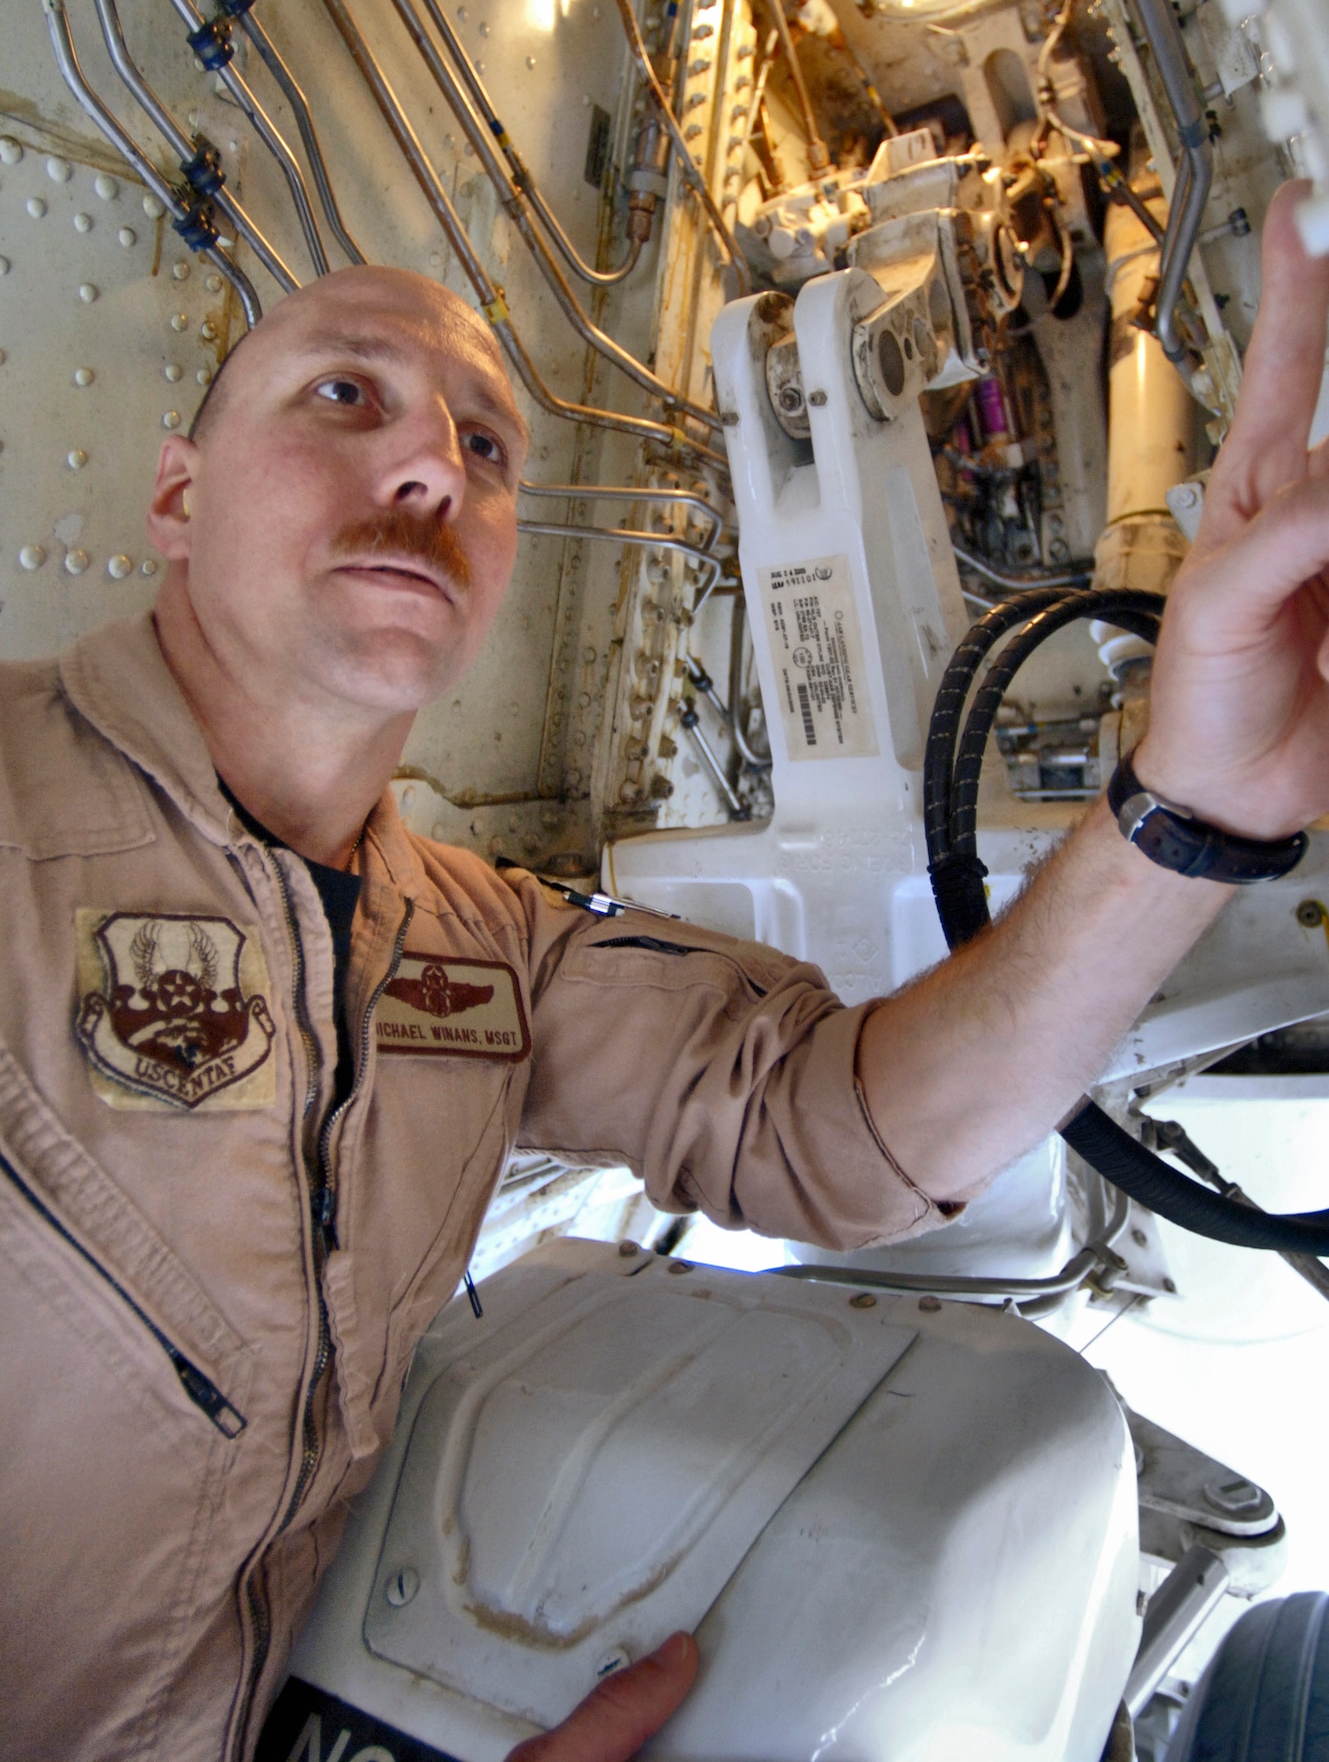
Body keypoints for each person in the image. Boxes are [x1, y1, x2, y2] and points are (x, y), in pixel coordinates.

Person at [1, 178, 1327, 1762]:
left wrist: (1185, 809)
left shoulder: (476, 947)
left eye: (487, 448)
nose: (430, 463)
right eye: (344, 394)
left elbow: (836, 1132)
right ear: (177, 494)